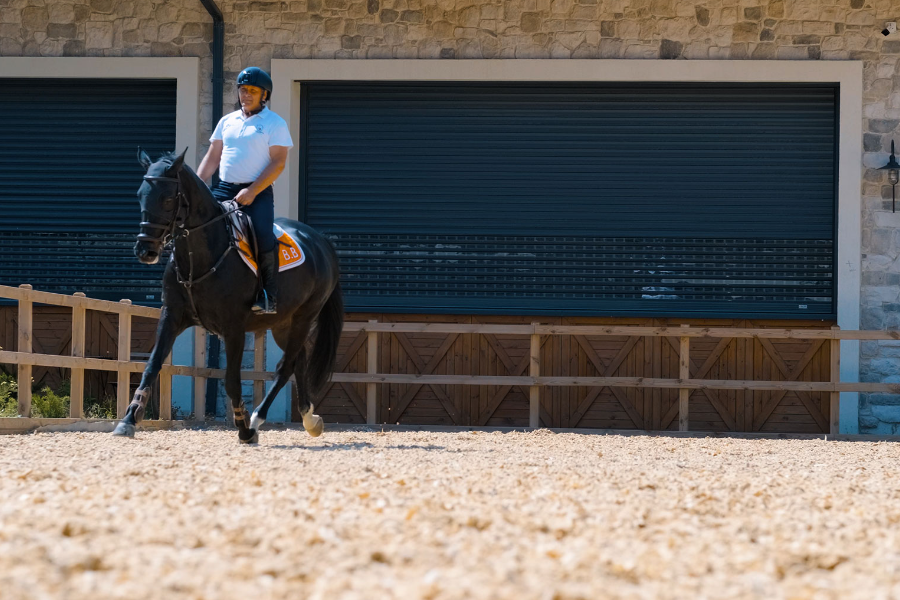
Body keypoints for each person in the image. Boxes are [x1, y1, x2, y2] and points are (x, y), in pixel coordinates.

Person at [197, 67, 293, 314]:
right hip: (224, 189)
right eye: (242, 90)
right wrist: (198, 184)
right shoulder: (226, 122)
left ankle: (268, 295)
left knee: (262, 236)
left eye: (252, 91)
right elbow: (212, 157)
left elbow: (278, 162)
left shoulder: (275, 123)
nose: (246, 95)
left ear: (264, 95)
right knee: (197, 226)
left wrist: (252, 191)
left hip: (257, 192)